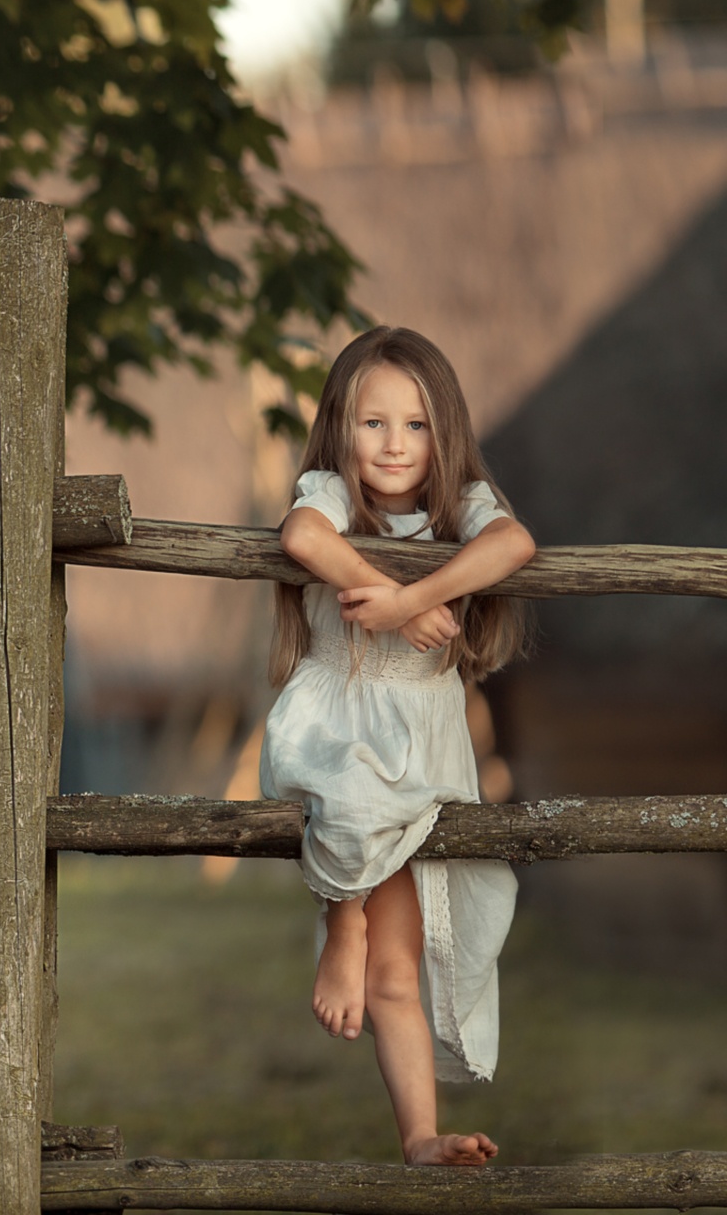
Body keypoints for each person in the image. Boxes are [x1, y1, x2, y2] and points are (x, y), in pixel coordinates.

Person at [259, 325, 536, 1165]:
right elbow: (304, 540)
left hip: (427, 734)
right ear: (341, 425)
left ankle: (419, 1135)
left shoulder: (462, 502)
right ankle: (341, 929)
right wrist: (394, 597)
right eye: (374, 422)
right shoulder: (333, 493)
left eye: (415, 425)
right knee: (352, 804)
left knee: (401, 969)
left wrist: (424, 593)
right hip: (343, 720)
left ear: (442, 432)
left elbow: (514, 544)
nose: (393, 443)